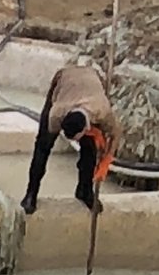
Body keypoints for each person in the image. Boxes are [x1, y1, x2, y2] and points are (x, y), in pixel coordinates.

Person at [22, 57, 116, 215]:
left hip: (90, 82)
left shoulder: (102, 110)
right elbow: (45, 143)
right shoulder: (56, 113)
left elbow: (116, 133)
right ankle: (31, 193)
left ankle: (85, 191)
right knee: (42, 147)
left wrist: (107, 159)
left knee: (89, 148)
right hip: (65, 81)